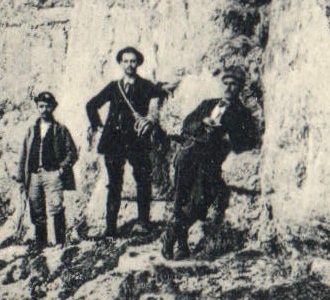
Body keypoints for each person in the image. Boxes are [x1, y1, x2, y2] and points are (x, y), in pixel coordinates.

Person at [161, 83, 259, 260]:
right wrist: (202, 124)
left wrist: (225, 134)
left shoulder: (241, 113)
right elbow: (187, 123)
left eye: (233, 84)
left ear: (239, 88)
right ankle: (182, 245)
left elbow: (247, 140)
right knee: (180, 199)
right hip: (189, 154)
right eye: (226, 83)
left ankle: (171, 234)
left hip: (211, 158)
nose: (228, 88)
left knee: (199, 201)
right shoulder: (208, 103)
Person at [85, 47, 164, 238]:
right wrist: (99, 127)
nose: (129, 65)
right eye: (126, 61)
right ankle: (111, 228)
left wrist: (150, 118)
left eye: (133, 61)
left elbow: (159, 97)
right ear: (120, 63)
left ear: (138, 63)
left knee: (142, 181)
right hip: (114, 142)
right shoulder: (114, 87)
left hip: (137, 141)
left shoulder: (146, 85)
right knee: (114, 184)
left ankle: (143, 223)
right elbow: (91, 105)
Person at [16, 90, 78, 250]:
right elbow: (24, 154)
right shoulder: (31, 130)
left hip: (52, 174)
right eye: (41, 106)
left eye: (47, 106)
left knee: (56, 206)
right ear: (37, 107)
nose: (44, 110)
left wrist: (61, 169)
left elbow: (72, 152)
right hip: (34, 175)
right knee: (36, 207)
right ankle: (40, 244)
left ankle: (60, 242)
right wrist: (21, 177)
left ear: (53, 107)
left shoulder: (60, 129)